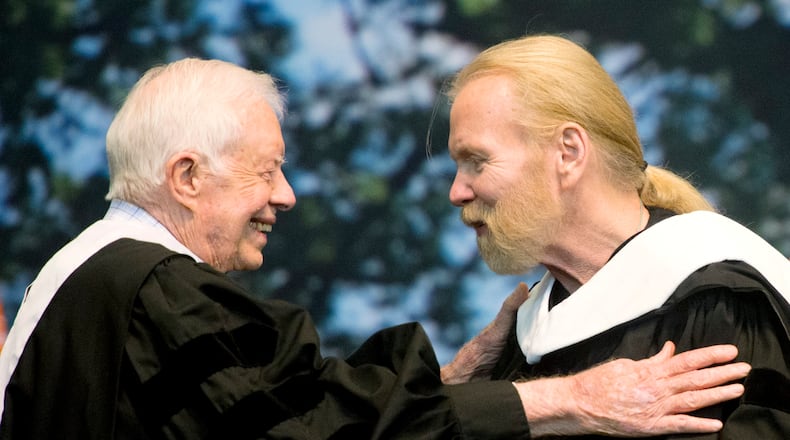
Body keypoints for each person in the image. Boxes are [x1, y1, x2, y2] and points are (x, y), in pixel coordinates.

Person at [0, 58, 750, 440]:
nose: (286, 196)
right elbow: (309, 431)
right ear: (186, 177)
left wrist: (449, 380)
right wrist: (574, 398)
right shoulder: (155, 291)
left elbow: (285, 411)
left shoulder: (87, 281)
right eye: (268, 170)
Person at [443, 34, 790, 438]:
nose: (457, 192)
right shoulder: (511, 349)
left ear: (568, 152)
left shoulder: (721, 299)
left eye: (477, 161)